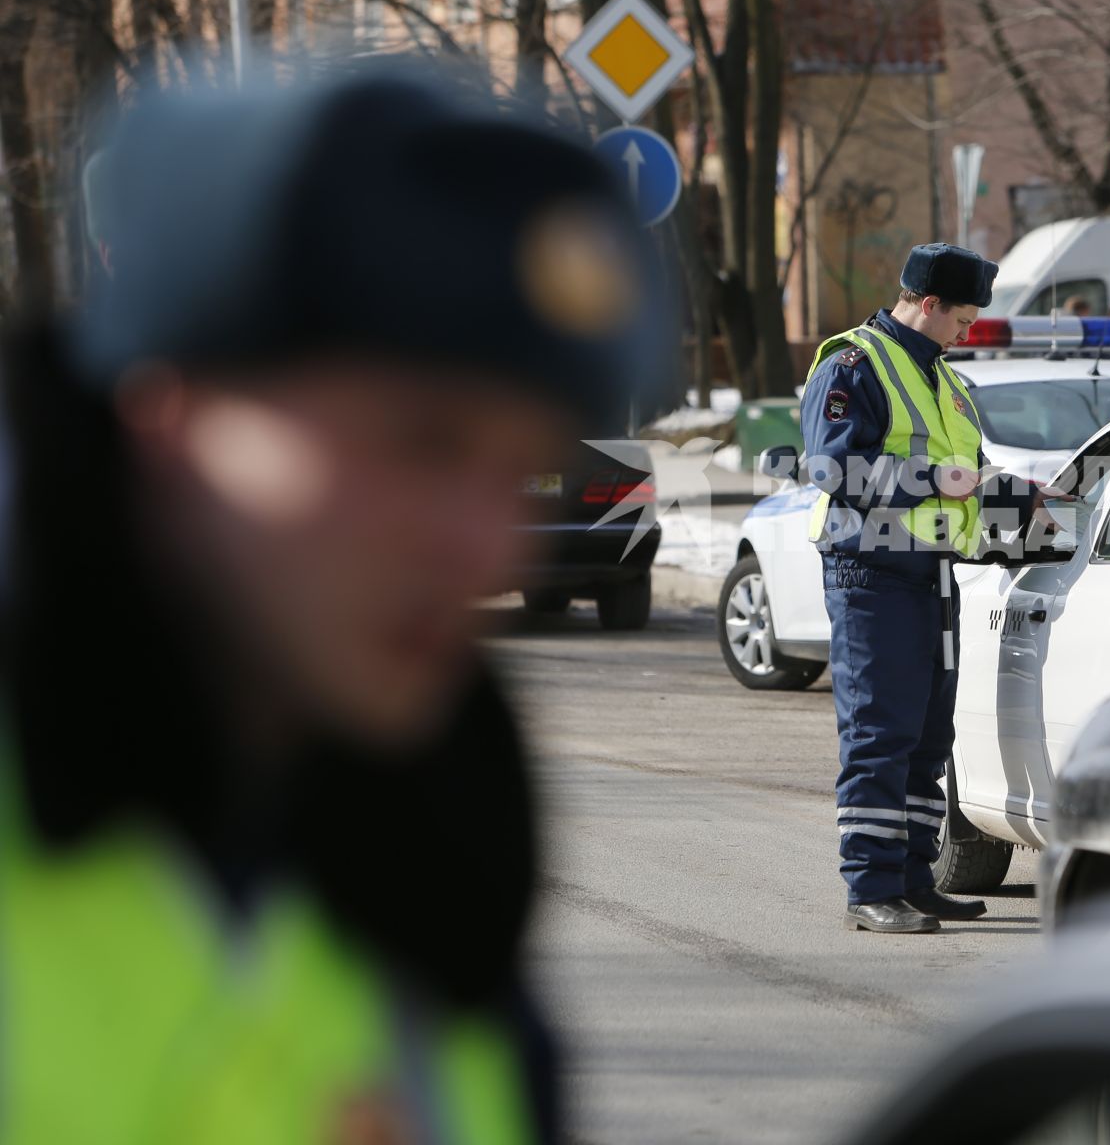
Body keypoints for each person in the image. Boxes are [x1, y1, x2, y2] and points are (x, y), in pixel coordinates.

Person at [0, 70, 656, 1140]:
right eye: (422, 441)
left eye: (520, 466)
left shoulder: (437, 904)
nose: (485, 543)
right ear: (168, 405)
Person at [799, 244, 1061, 933]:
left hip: (932, 573)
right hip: (870, 574)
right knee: (879, 735)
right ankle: (870, 889)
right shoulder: (854, 365)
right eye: (963, 318)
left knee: (925, 737)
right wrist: (945, 483)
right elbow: (833, 472)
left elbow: (967, 471)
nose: (968, 331)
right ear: (929, 304)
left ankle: (915, 879)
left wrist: (1020, 494)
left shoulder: (943, 379)